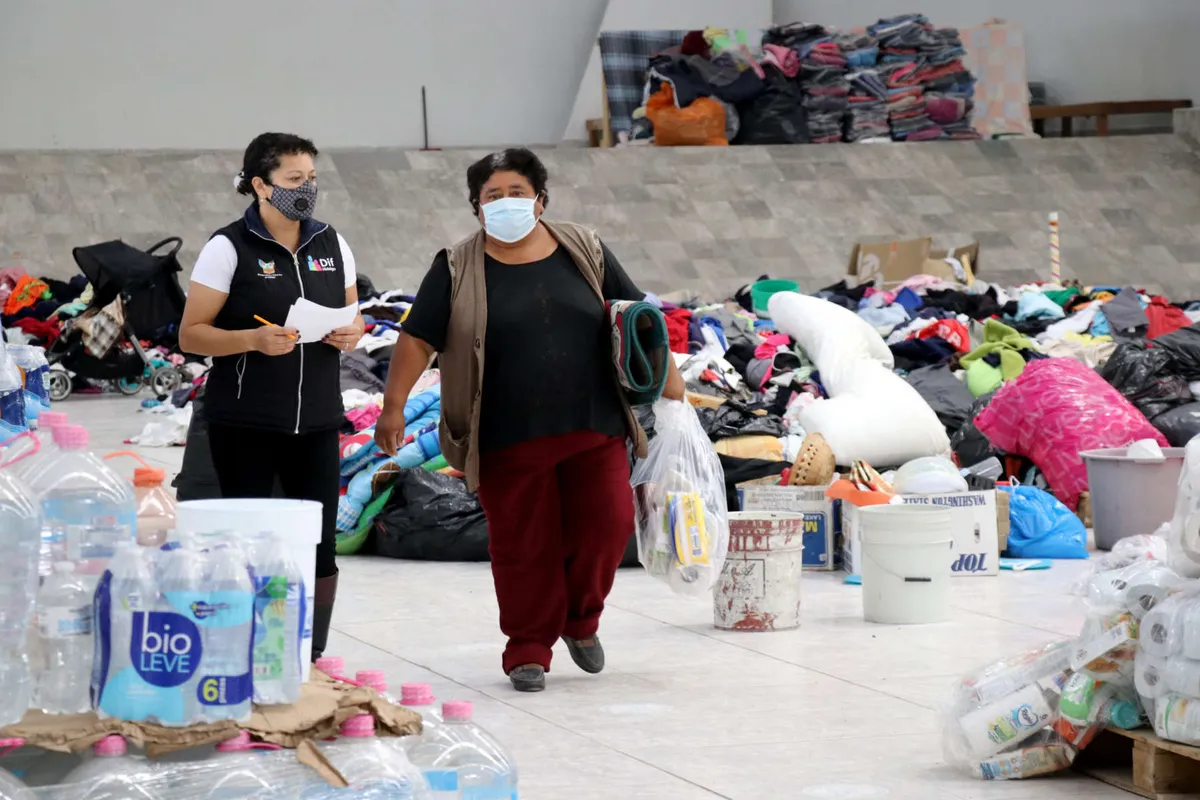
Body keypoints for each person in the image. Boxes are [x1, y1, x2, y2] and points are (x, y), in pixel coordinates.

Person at [375, 148, 685, 692]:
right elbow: (418, 336)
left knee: (607, 529)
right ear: (476, 209)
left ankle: (581, 621)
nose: (506, 203)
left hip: (593, 424)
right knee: (523, 545)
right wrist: (394, 406)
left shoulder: (583, 249)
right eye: (492, 196)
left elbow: (637, 316)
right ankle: (528, 648)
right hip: (505, 434)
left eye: (517, 192)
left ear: (541, 199)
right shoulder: (456, 265)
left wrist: (674, 392)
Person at [179, 132, 364, 662]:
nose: (305, 190)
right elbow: (191, 334)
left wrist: (351, 330)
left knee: (320, 544)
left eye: (311, 179)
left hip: (320, 421)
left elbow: (354, 314)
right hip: (247, 422)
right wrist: (251, 341)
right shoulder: (228, 247)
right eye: (292, 180)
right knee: (251, 542)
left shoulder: (332, 242)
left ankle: (311, 654)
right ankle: (247, 648)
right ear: (260, 185)